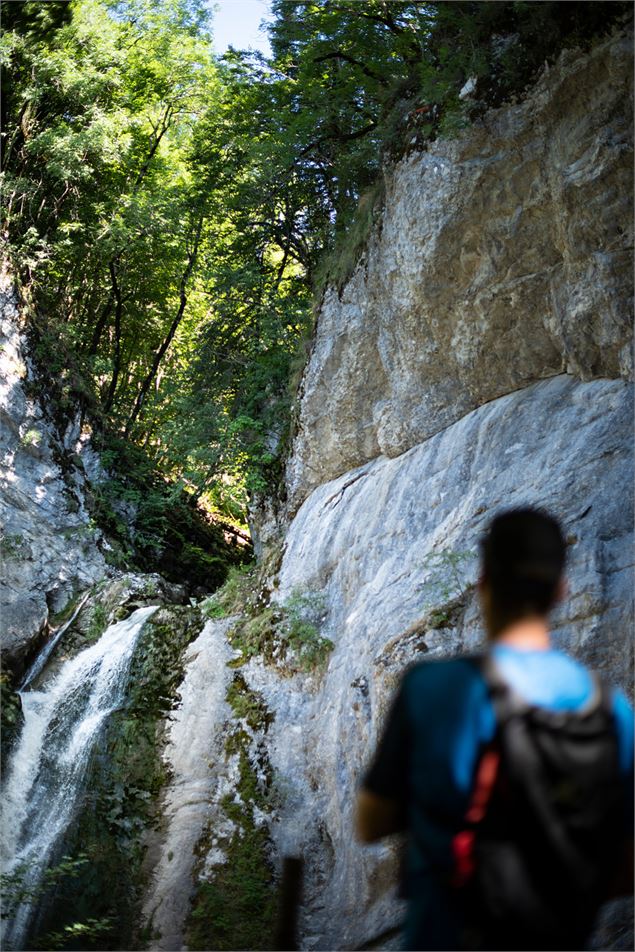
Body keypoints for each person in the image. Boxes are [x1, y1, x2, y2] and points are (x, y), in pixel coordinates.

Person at [355, 507, 634, 951]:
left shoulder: (434, 687)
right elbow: (626, 866)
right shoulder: (610, 709)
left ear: (483, 581)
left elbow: (370, 822)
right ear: (561, 590)